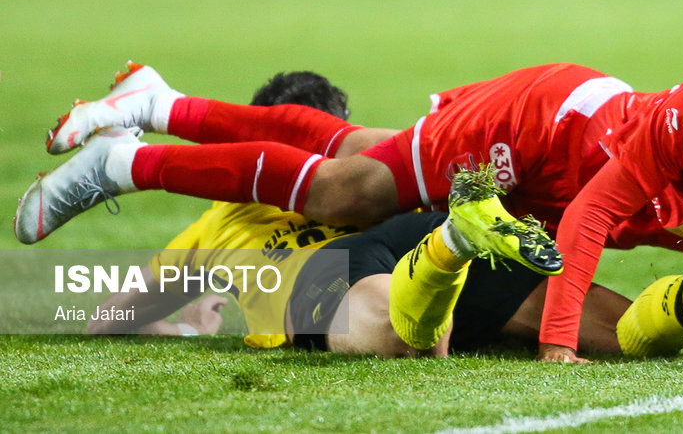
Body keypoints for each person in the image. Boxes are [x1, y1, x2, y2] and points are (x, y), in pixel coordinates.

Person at [18, 31, 683, 365]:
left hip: (542, 194)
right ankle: (127, 158)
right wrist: (557, 344)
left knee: (360, 150)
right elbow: (598, 215)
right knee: (346, 192)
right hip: (539, 133)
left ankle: (159, 98)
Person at [85, 72, 627, 356]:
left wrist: (178, 329)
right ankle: (455, 252)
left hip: (340, 270)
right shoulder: (375, 177)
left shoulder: (221, 220)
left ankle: (450, 259)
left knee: (404, 334)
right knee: (622, 334)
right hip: (407, 246)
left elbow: (110, 316)